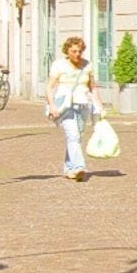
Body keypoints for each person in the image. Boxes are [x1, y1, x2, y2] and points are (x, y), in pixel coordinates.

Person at [45, 38, 99, 182]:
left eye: (80, 51)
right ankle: (78, 167)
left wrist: (98, 105)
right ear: (67, 51)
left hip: (83, 105)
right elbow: (49, 87)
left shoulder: (87, 65)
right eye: (74, 51)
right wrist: (51, 105)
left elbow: (92, 87)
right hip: (65, 106)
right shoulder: (59, 65)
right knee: (73, 136)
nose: (77, 54)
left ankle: (69, 168)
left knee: (77, 137)